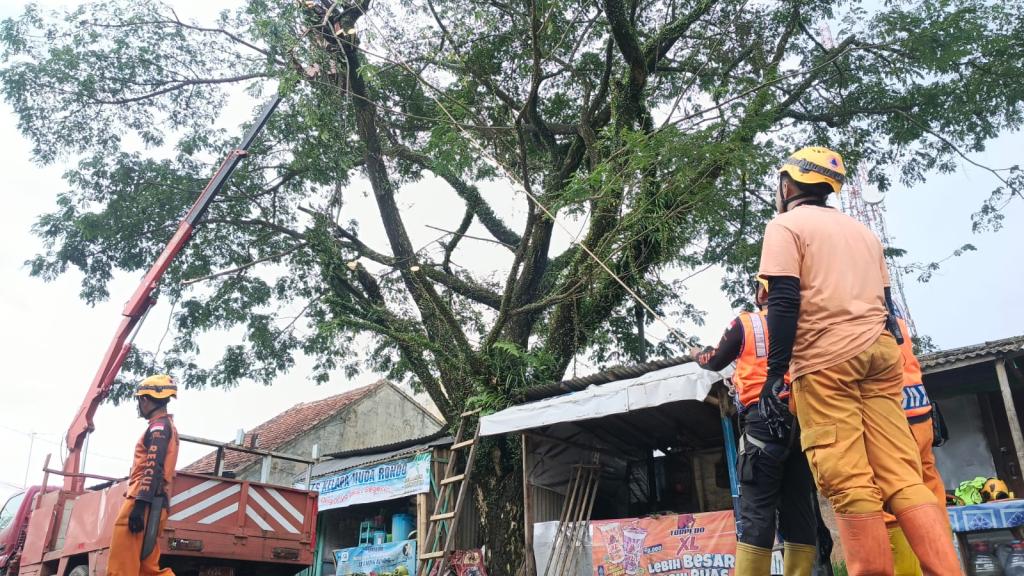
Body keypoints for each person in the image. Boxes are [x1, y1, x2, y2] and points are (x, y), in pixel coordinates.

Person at [756, 146, 960, 576]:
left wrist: (776, 373)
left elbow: (786, 299)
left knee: (848, 482)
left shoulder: (785, 225)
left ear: (788, 184)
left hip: (826, 364)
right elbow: (886, 305)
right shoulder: (862, 233)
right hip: (881, 357)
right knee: (902, 475)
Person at [691, 282, 818, 576]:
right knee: (799, 509)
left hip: (763, 422)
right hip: (803, 423)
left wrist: (697, 354)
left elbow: (715, 360)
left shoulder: (746, 323)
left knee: (757, 512)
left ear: (760, 294)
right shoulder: (806, 323)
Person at [888, 314, 949, 576]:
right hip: (919, 412)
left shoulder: (856, 317)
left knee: (892, 500)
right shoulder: (894, 318)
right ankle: (946, 567)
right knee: (930, 492)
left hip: (891, 417)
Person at [107, 374, 180, 576]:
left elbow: (153, 465)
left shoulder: (158, 427)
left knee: (122, 566)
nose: (139, 405)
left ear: (145, 400)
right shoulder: (166, 427)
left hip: (142, 500)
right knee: (147, 570)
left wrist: (139, 505)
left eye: (139, 400)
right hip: (156, 501)